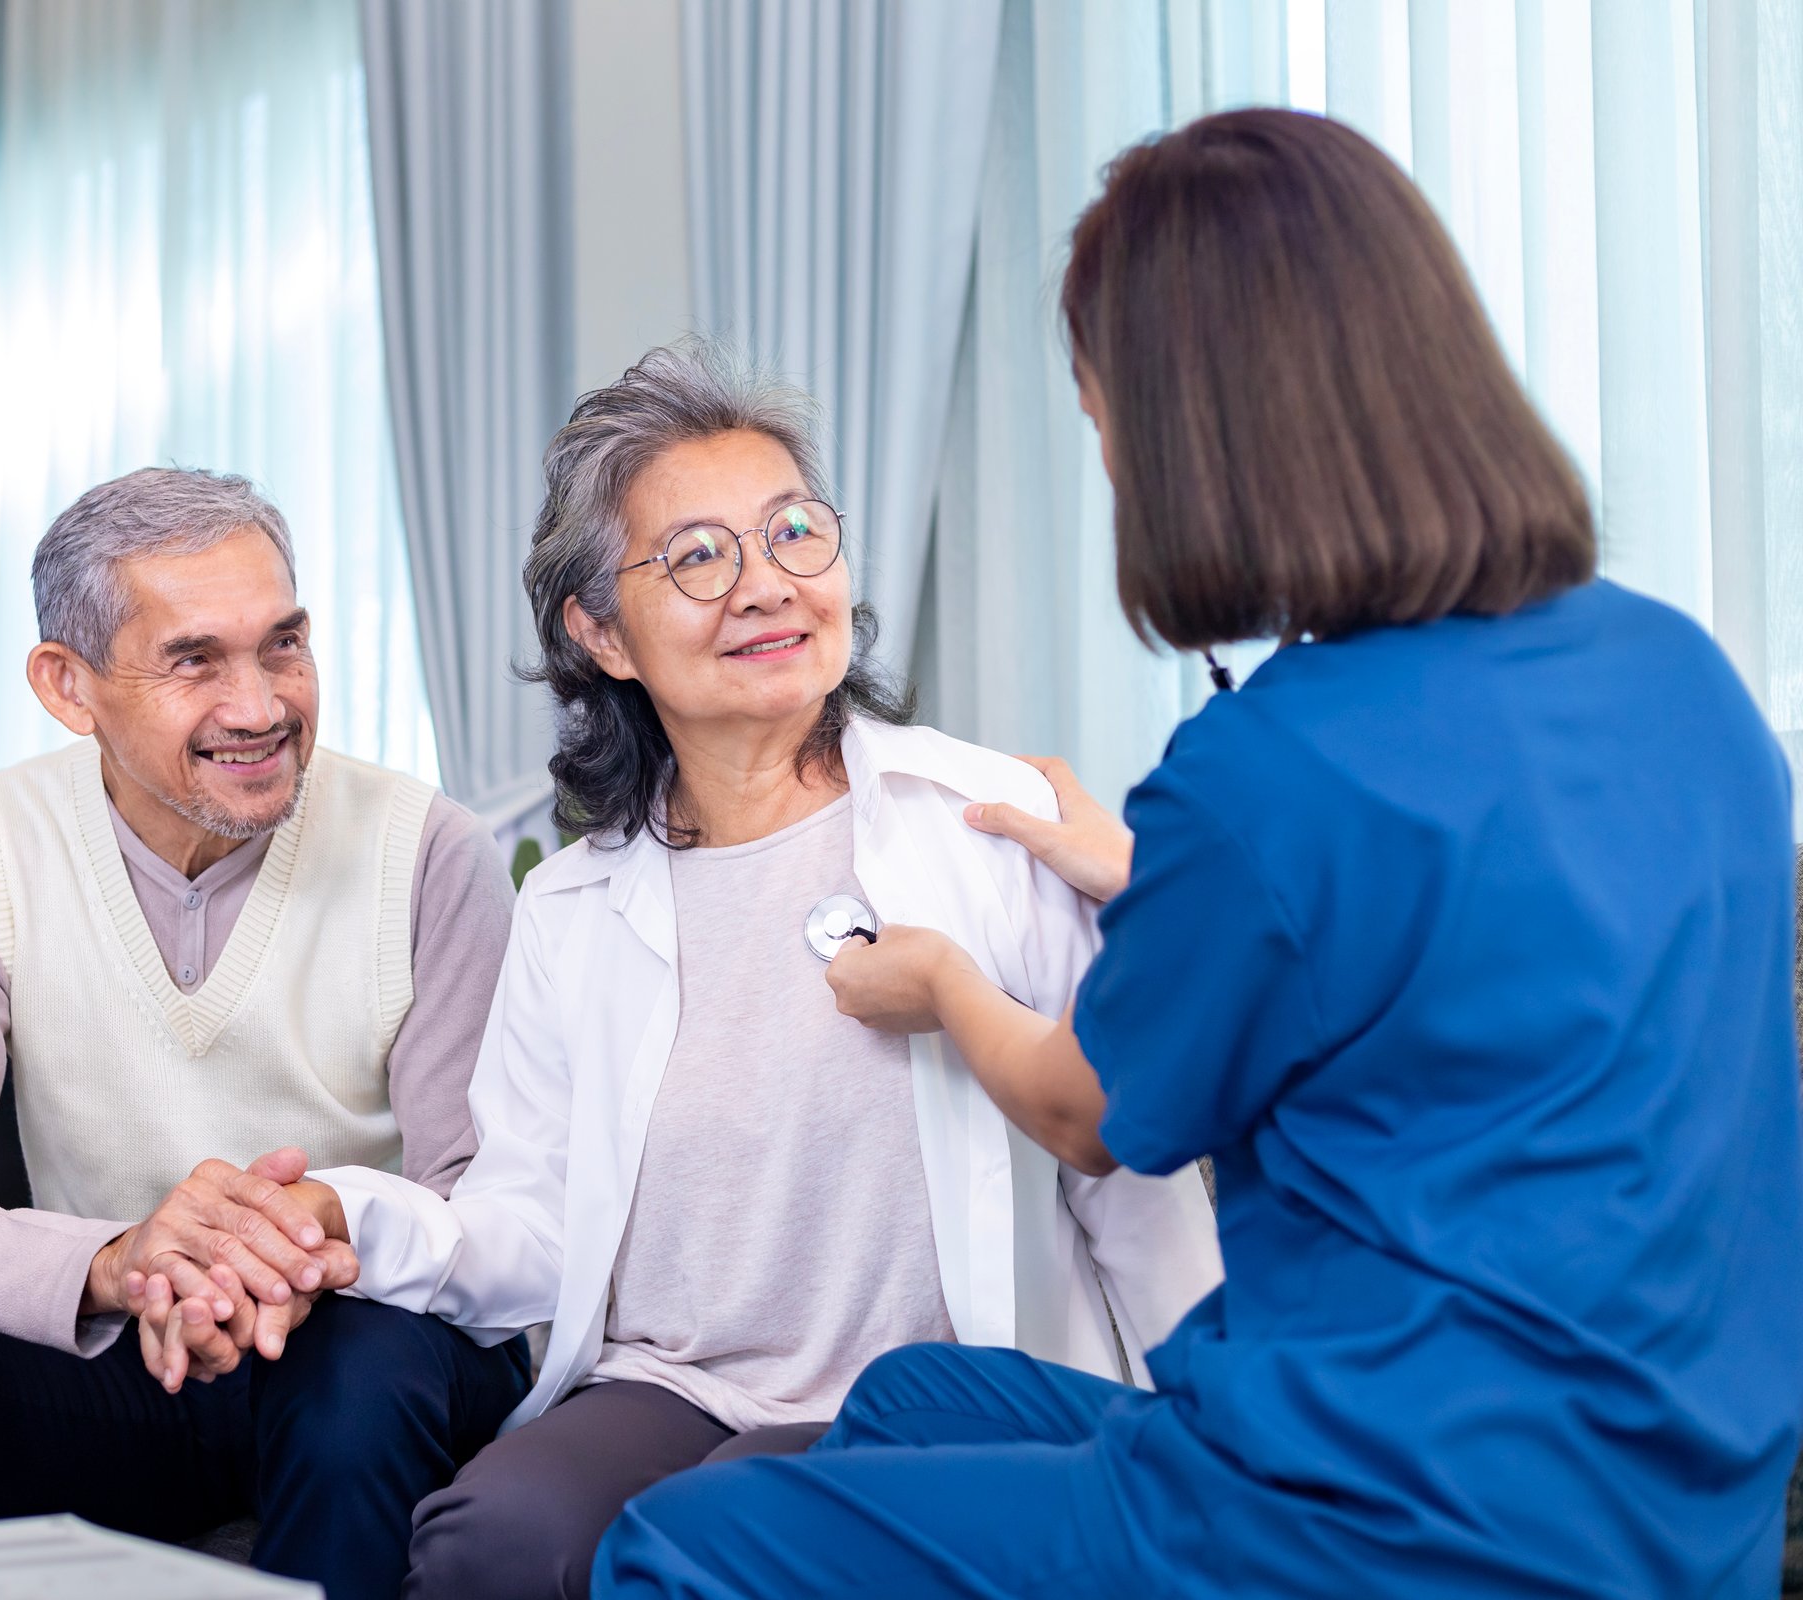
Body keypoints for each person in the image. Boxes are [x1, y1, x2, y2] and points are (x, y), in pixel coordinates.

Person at [589, 109, 1803, 1598]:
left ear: (1193, 439)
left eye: (1105, 418)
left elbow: (1088, 1112)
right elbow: (1466, 922)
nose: (1109, 463)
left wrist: (947, 985)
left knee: (673, 1544)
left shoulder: (1269, 775)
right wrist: (1153, 881)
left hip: (1379, 1532)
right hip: (1677, 1514)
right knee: (912, 1400)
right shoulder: (1677, 674)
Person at [135, 341, 1223, 1598]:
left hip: (928, 1389)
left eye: (794, 533)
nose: (765, 585)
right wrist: (342, 1214)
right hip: (672, 1383)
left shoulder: (992, 820)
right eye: (699, 556)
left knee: (718, 1526)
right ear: (602, 631)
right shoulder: (572, 907)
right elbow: (530, 1225)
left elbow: (1128, 1178)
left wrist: (1219, 1444)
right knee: (495, 1539)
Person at [0, 468, 530, 1600]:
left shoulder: (430, 852)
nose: (259, 706)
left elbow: (487, 1210)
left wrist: (290, 1258)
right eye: (195, 661)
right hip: (111, 1359)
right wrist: (114, 1265)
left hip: (356, 1352)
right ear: (69, 685)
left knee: (362, 1369)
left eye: (284, 645)